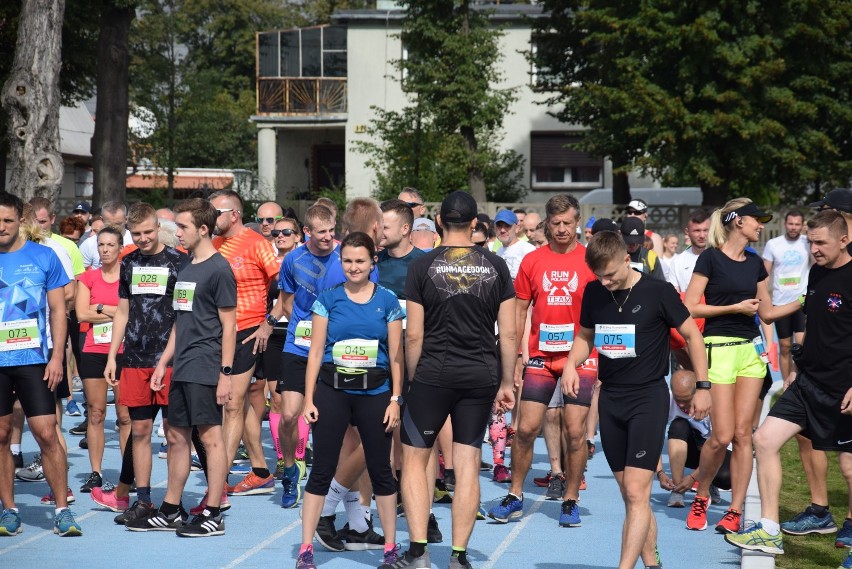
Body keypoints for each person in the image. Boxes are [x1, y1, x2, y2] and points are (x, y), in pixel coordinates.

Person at [562, 230, 709, 569]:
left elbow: (692, 335)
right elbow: (585, 335)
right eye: (599, 276)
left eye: (611, 274)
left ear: (627, 259)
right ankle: (651, 563)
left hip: (647, 398)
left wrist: (704, 386)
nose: (606, 281)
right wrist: (572, 363)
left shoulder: (658, 292)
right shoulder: (594, 292)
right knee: (633, 498)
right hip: (611, 400)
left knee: (635, 492)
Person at [392, 190, 517, 569]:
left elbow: (413, 335)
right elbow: (508, 335)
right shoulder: (496, 266)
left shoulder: (422, 266)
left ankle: (417, 552)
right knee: (467, 463)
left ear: (441, 222)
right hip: (480, 374)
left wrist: (415, 380)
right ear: (476, 224)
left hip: (433, 372)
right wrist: (507, 382)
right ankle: (459, 556)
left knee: (415, 461)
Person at [725, 210, 852, 569]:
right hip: (808, 382)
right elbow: (813, 322)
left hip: (842, 391)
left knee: (850, 470)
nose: (813, 249)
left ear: (844, 239)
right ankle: (768, 529)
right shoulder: (818, 271)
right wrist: (796, 368)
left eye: (821, 242)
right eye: (811, 242)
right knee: (764, 441)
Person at [683, 198, 801, 534]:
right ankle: (702, 494)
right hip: (718, 350)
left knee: (742, 434)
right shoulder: (710, 258)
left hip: (750, 353)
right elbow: (691, 307)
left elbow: (766, 313)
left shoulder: (754, 264)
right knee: (720, 437)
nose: (761, 225)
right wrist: (733, 308)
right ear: (737, 221)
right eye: (756, 220)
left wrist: (806, 300)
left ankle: (735, 509)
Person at [125, 197, 236, 537]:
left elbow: (229, 326)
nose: (177, 232)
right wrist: (162, 363)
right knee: (175, 436)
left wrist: (225, 374)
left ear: (204, 229)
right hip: (181, 364)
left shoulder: (219, 269)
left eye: (183, 226)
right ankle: (171, 508)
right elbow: (179, 321)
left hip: (206, 364)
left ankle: (213, 511)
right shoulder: (186, 267)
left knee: (210, 439)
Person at [296, 232, 405, 569]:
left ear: (373, 262)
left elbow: (398, 357)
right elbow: (315, 352)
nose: (353, 267)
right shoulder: (327, 299)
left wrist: (396, 400)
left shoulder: (387, 301)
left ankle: (389, 549)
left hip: (376, 395)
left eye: (360, 261)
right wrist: (309, 398)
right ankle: (305, 550)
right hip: (333, 393)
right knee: (321, 471)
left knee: (381, 471)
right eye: (348, 261)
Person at [488, 194, 598, 528]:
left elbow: (604, 311)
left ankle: (570, 498)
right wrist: (519, 357)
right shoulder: (533, 261)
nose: (562, 229)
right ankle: (515, 494)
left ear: (578, 222)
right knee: (525, 429)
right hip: (540, 357)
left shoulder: (591, 260)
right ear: (546, 225)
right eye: (556, 224)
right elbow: (520, 309)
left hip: (580, 358)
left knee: (576, 432)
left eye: (568, 223)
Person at [99, 203, 188, 524]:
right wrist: (112, 355)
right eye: (136, 233)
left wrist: (169, 358)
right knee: (139, 430)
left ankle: (172, 504)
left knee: (176, 434)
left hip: (173, 361)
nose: (143, 238)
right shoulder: (129, 262)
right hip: (134, 358)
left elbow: (184, 314)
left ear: (157, 227)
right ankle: (144, 500)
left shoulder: (180, 261)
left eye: (148, 231)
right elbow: (122, 312)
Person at [0, 191, 81, 537]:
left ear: (21, 220)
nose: (0, 226)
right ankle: (9, 509)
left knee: (48, 434)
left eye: (6, 220)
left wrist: (58, 356)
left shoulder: (45, 256)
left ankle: (62, 509)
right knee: (1, 435)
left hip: (35, 360)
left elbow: (59, 310)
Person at [209, 190, 279, 502]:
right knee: (246, 400)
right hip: (217, 332)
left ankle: (218, 480)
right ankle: (261, 471)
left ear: (234, 214)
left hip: (248, 329)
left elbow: (285, 286)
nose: (210, 219)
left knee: (232, 403)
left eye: (216, 213)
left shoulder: (258, 244)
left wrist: (269, 322)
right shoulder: (212, 244)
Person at [75, 225, 131, 495]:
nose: (106, 250)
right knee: (96, 413)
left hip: (124, 352)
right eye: (101, 245)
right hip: (94, 351)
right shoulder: (88, 278)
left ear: (121, 248)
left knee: (124, 416)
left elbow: (131, 314)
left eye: (111, 245)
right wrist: (112, 311)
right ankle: (95, 472)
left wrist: (101, 308)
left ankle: (128, 472)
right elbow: (82, 315)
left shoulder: (128, 277)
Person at [258, 217, 302, 479]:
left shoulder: (308, 260)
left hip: (302, 334)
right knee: (276, 400)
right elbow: (277, 299)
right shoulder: (269, 261)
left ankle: (300, 454)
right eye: (276, 232)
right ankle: (283, 457)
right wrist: (267, 323)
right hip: (276, 333)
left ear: (298, 235)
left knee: (300, 402)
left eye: (286, 231)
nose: (280, 235)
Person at [661, 369, 730, 508]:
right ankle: (677, 488)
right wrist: (660, 473)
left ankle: (710, 482)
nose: (680, 405)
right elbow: (653, 438)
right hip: (689, 447)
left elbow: (720, 445)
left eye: (685, 400)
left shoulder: (714, 401)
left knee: (727, 478)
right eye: (677, 399)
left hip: (717, 452)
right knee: (678, 425)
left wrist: (694, 478)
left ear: (697, 392)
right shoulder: (667, 400)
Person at [762, 210, 810, 384]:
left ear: (802, 225)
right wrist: (764, 297)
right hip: (780, 302)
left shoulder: (808, 243)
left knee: (801, 345)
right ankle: (786, 384)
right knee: (785, 346)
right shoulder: (774, 244)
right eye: (791, 224)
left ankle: (802, 381)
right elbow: (764, 274)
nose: (793, 227)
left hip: (801, 301)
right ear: (785, 224)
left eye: (797, 224)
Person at [666, 210, 710, 293]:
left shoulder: (722, 256)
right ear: (687, 232)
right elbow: (674, 297)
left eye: (705, 230)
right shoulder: (677, 262)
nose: (702, 235)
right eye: (697, 231)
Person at [79, 202, 132, 269]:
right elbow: (81, 273)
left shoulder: (135, 241)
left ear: (126, 219)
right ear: (102, 220)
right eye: (109, 224)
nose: (114, 228)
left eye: (118, 224)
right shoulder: (89, 244)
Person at [494, 210, 535, 280]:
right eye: (499, 226)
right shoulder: (499, 252)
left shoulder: (528, 250)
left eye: (507, 226)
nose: (502, 230)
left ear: (517, 228)